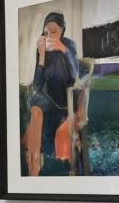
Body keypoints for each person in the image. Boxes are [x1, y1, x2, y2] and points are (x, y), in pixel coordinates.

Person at [24, 11, 79, 176]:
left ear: (62, 30)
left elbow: (75, 76)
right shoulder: (43, 49)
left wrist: (63, 50)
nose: (49, 36)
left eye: (53, 31)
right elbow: (38, 85)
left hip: (68, 105)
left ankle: (37, 168)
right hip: (50, 105)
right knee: (35, 105)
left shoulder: (69, 46)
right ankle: (34, 167)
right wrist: (41, 57)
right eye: (46, 32)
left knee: (36, 104)